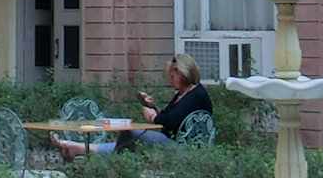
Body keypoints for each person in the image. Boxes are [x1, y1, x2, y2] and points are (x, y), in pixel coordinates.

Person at [55, 53, 213, 160]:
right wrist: (152, 107)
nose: (170, 80)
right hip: (172, 140)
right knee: (129, 140)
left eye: (172, 76)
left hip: (182, 147)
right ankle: (81, 148)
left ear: (183, 74)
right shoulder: (183, 94)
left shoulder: (196, 95)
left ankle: (96, 156)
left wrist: (153, 117)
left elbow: (169, 121)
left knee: (130, 134)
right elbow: (170, 117)